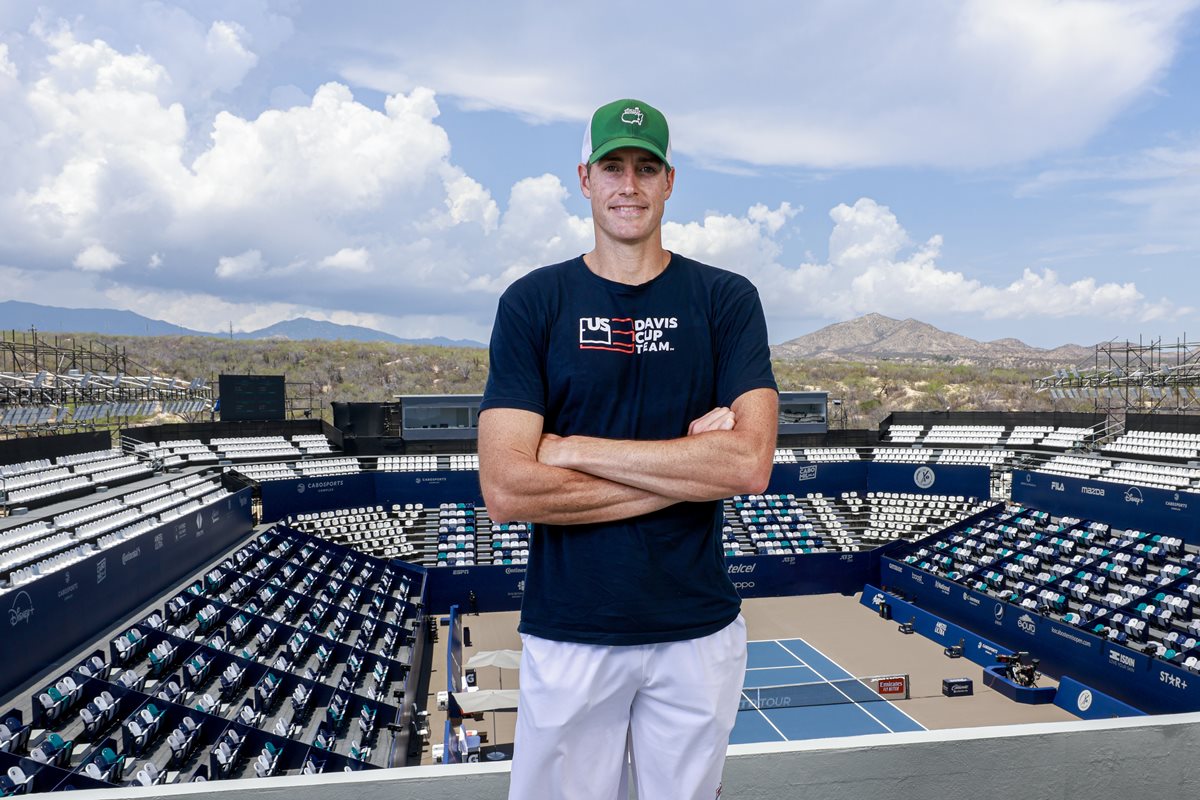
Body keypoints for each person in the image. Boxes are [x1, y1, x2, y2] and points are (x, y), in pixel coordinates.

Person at [478, 98, 778, 800]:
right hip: (571, 632)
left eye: (646, 168)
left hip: (697, 633)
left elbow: (748, 464)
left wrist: (571, 448)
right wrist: (689, 467)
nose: (629, 185)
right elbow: (508, 489)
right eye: (613, 166)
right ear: (585, 178)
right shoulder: (533, 302)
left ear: (669, 182)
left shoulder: (726, 300)